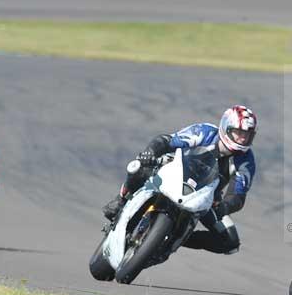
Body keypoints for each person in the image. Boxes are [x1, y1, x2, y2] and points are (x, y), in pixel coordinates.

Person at [103, 105, 257, 255]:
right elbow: (166, 140)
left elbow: (238, 195)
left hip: (206, 198)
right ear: (226, 128)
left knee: (230, 242)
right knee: (138, 166)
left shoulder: (246, 161)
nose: (243, 138)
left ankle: (177, 238)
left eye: (248, 135)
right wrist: (151, 152)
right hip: (174, 170)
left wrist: (225, 206)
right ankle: (121, 200)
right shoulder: (206, 132)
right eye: (239, 132)